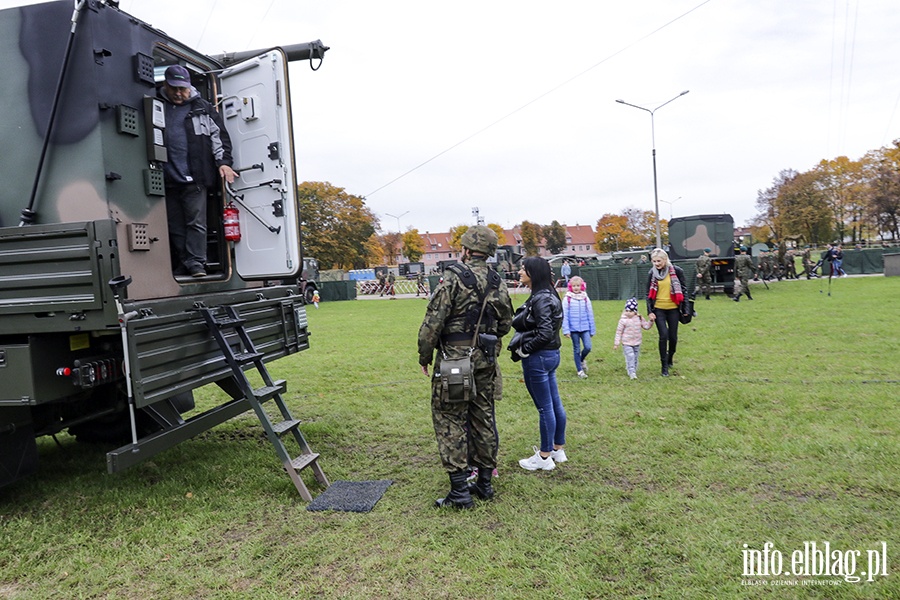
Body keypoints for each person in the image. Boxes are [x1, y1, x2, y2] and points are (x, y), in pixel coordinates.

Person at [418, 226, 513, 509]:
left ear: (466, 249)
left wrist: (424, 355)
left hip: (457, 361)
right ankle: (484, 483)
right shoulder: (498, 280)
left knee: (452, 419)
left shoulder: (453, 277)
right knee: (484, 417)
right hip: (485, 359)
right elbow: (506, 321)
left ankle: (459, 491)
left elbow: (433, 322)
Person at [159, 65, 237, 278]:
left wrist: (224, 162)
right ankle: (186, 262)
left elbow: (219, 137)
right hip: (167, 177)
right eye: (173, 88)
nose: (178, 93)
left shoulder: (203, 107)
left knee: (196, 222)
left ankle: (196, 263)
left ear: (189, 87)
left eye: (182, 89)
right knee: (174, 224)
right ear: (165, 85)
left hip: (196, 176)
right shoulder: (157, 107)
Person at [508, 257, 566, 471]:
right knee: (554, 403)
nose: (520, 272)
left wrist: (525, 350)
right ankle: (558, 449)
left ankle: (543, 457)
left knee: (545, 407)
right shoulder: (550, 294)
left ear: (534, 273)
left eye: (523, 269)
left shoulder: (541, 298)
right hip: (551, 356)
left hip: (539, 357)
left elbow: (545, 332)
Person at [645, 248, 687, 377]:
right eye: (654, 261)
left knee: (673, 337)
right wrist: (650, 311)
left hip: (673, 308)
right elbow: (648, 294)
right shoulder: (651, 273)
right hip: (659, 309)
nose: (656, 264)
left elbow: (684, 289)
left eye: (659, 261)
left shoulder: (677, 271)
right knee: (663, 336)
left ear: (665, 259)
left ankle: (670, 357)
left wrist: (686, 309)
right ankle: (664, 367)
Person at [561, 276, 595, 379]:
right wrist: (566, 330)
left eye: (578, 285)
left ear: (582, 286)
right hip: (573, 329)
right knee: (576, 349)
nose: (576, 288)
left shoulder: (585, 298)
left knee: (588, 347)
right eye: (574, 286)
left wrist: (592, 329)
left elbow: (590, 314)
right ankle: (580, 370)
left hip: (585, 328)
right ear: (571, 287)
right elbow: (564, 315)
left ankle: (581, 359)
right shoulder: (567, 299)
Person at [613, 297, 653, 379]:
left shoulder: (639, 318)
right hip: (626, 342)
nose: (628, 313)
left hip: (637, 342)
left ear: (635, 312)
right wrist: (616, 343)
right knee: (630, 355)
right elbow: (619, 331)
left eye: (630, 311)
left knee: (635, 357)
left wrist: (651, 321)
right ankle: (632, 372)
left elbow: (646, 326)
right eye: (626, 311)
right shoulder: (623, 320)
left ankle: (632, 368)